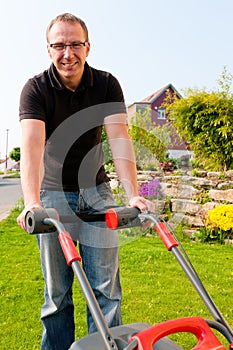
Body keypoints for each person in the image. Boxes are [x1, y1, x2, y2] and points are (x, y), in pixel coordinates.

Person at [17, 13, 154, 350]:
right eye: (59, 45)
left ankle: (104, 347)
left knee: (105, 289)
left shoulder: (106, 84)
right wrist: (33, 202)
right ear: (48, 49)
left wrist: (133, 195)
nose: (68, 53)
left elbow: (118, 139)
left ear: (87, 46)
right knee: (57, 292)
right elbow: (33, 146)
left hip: (97, 191)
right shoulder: (35, 89)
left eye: (75, 44)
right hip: (52, 194)